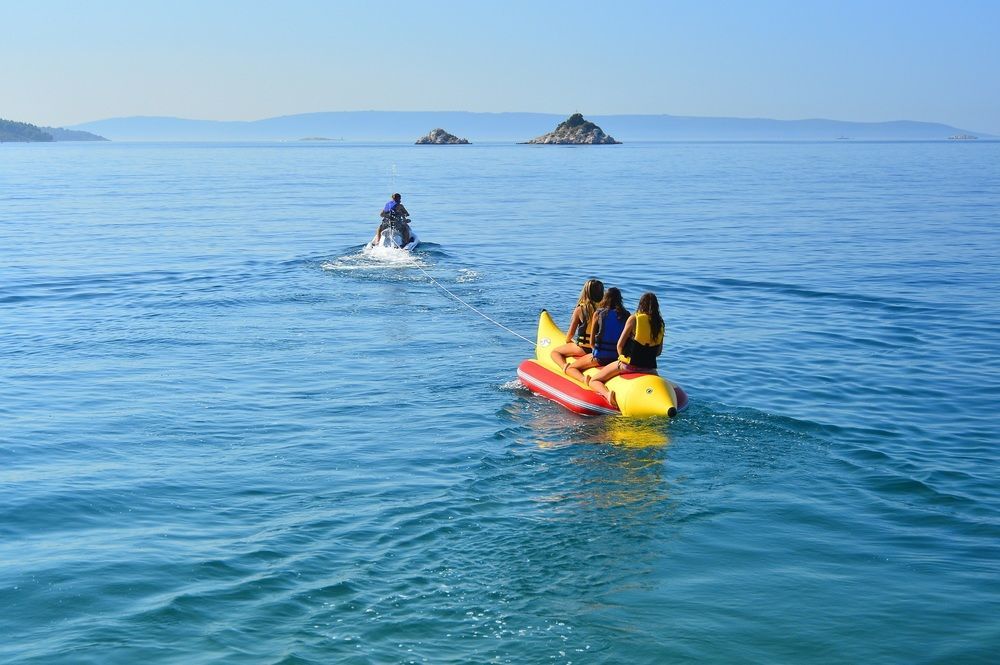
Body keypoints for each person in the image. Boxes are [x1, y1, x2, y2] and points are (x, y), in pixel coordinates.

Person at [589, 292, 664, 409]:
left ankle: (607, 395)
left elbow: (619, 345)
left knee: (594, 380)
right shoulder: (660, 324)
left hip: (629, 366)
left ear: (641, 304)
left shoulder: (634, 319)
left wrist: (621, 359)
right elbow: (658, 352)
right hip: (650, 369)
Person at [565, 287, 629, 384]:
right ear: (620, 299)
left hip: (600, 357)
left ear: (605, 298)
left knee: (571, 368)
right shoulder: (626, 315)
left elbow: (592, 343)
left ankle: (583, 379)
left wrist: (595, 353)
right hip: (617, 357)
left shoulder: (599, 314)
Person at [550, 278, 604, 372]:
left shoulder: (580, 310)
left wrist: (568, 341)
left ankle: (564, 367)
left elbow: (570, 334)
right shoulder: (605, 309)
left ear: (585, 292)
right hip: (600, 349)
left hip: (584, 349)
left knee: (555, 352)